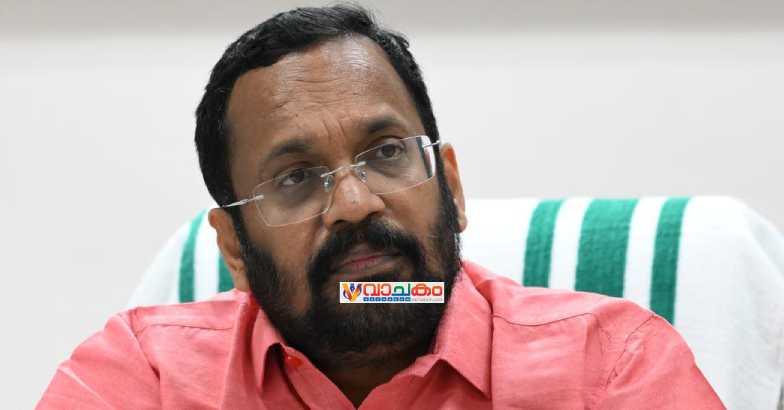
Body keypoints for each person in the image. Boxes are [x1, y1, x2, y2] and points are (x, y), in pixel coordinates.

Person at [38, 5, 723, 409]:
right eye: (295, 179)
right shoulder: (144, 377)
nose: (355, 204)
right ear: (235, 248)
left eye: (387, 153)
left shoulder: (610, 369)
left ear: (450, 187)